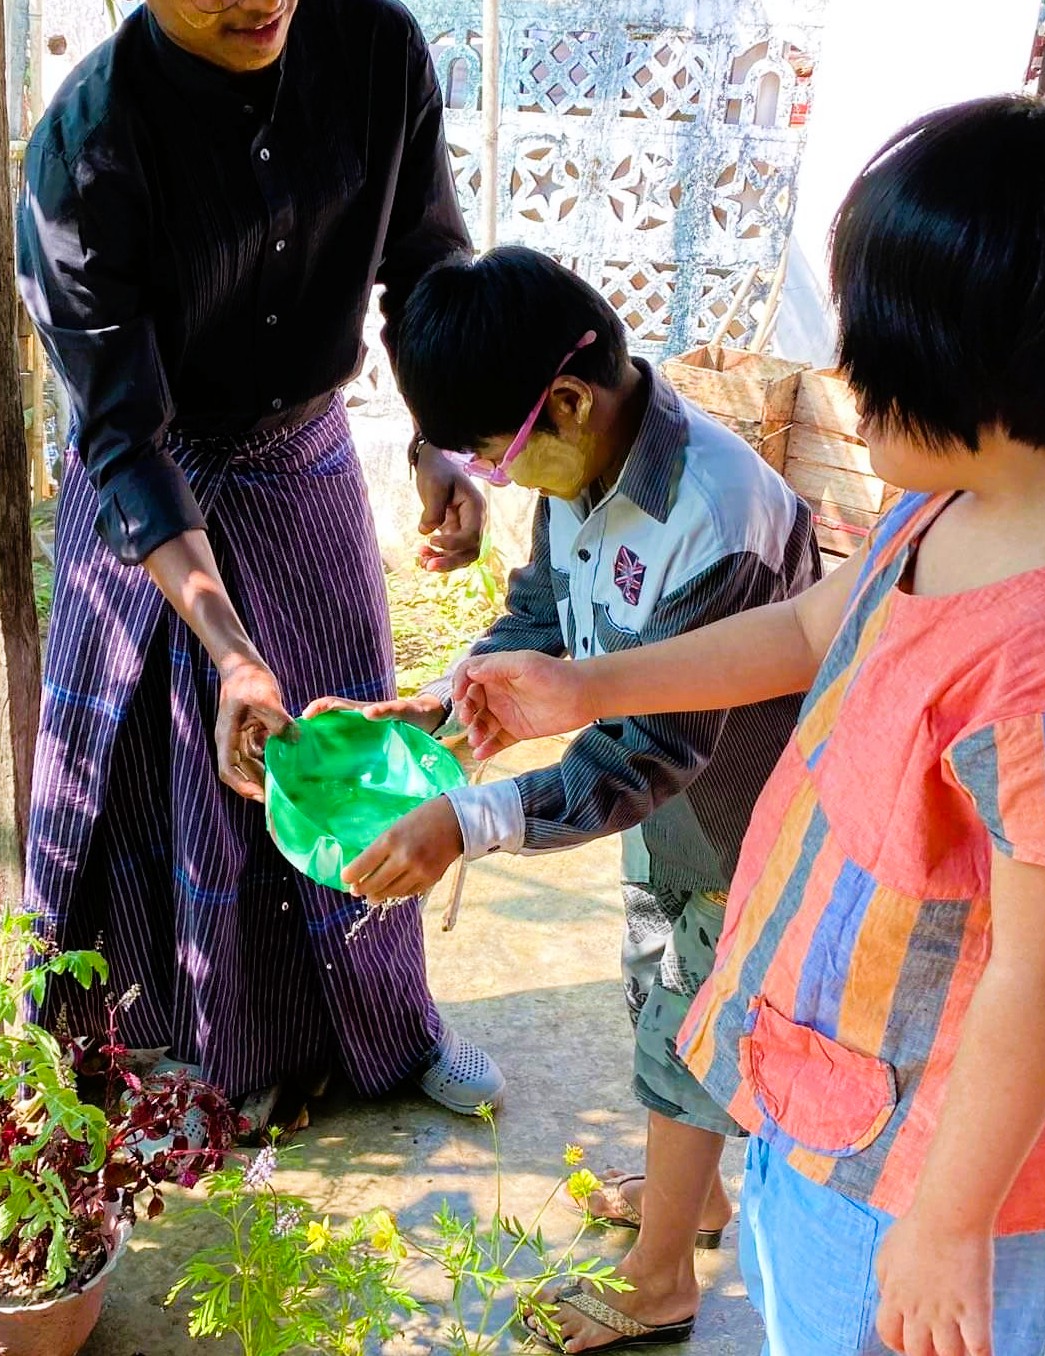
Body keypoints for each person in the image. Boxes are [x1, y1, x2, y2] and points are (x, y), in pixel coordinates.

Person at [452, 98, 1045, 1355]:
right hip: (842, 1075)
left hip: (919, 1161)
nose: (851, 399)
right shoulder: (995, 485)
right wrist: (588, 689)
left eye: (877, 369)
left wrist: (950, 1221)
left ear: (983, 370)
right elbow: (825, 629)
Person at [317, 246, 819, 1351]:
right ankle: (696, 1199)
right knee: (661, 991)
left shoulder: (715, 520)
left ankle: (658, 1284)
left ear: (570, 401)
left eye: (494, 463)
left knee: (696, 1015)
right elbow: (544, 605)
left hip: (748, 817)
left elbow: (648, 756)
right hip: (679, 818)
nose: (497, 485)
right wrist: (456, 701)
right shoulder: (589, 462)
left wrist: (471, 822)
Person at [14, 0, 503, 1126]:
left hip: (301, 459)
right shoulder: (87, 149)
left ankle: (390, 1026)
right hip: (152, 501)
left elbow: (426, 263)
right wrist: (229, 650)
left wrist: (440, 436)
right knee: (170, 788)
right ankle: (180, 1065)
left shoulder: (377, 46)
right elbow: (124, 435)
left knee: (344, 760)